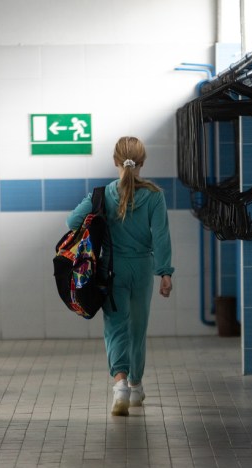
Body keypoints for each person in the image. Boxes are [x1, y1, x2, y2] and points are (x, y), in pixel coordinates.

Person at [66, 136, 174, 416]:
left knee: (116, 327)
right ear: (142, 162)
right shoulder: (154, 195)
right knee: (138, 326)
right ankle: (137, 387)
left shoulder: (102, 195)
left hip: (110, 269)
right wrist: (164, 272)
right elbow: (161, 236)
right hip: (141, 268)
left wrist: (99, 223)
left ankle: (120, 388)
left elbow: (72, 222)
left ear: (115, 162)